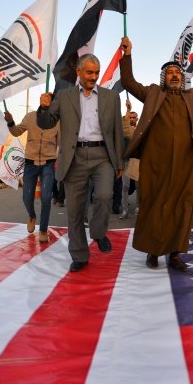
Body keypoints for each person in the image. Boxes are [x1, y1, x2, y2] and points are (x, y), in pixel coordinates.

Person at [119, 37, 193, 271]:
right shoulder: (152, 93)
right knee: (154, 206)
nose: (174, 75)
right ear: (164, 77)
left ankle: (174, 254)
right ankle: (153, 251)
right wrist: (128, 55)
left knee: (181, 208)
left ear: (182, 78)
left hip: (184, 164)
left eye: (177, 72)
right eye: (169, 72)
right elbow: (128, 82)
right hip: (155, 164)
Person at [37, 54, 124, 272]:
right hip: (74, 157)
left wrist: (119, 162)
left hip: (102, 155)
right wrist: (44, 108)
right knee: (75, 211)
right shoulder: (64, 97)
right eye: (89, 73)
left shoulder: (111, 97)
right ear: (79, 72)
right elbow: (47, 122)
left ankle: (98, 233)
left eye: (97, 72)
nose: (94, 77)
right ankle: (79, 255)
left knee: (104, 196)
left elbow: (117, 132)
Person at [4, 110, 60, 243]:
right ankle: (31, 216)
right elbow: (16, 132)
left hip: (48, 163)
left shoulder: (57, 121)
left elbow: (61, 142)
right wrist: (10, 122)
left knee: (46, 197)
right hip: (30, 163)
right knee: (26, 197)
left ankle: (43, 230)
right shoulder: (30, 117)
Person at [119, 101, 139, 219]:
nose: (131, 119)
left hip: (137, 161)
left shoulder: (139, 130)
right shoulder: (127, 131)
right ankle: (125, 211)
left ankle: (139, 208)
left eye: (133, 117)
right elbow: (125, 127)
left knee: (138, 187)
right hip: (126, 161)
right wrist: (128, 109)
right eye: (130, 117)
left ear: (137, 119)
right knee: (125, 186)